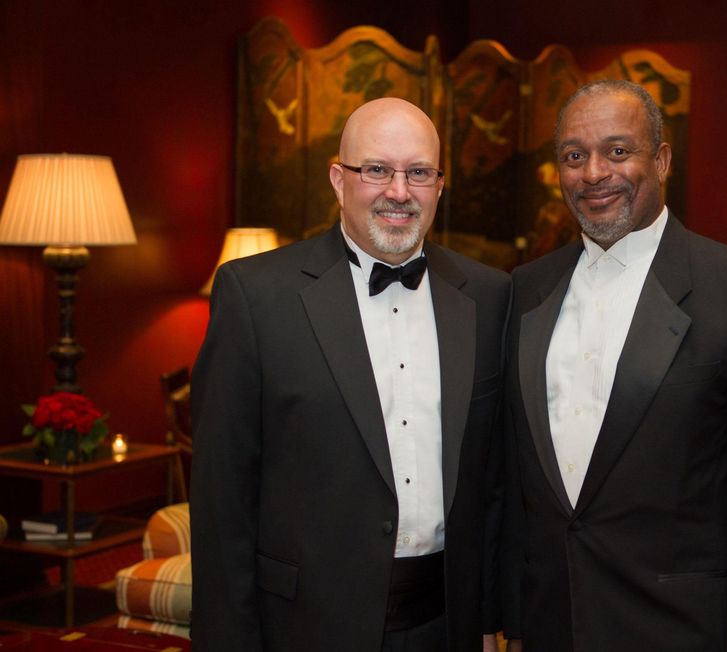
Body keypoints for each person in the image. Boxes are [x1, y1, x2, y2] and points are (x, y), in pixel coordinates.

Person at [500, 80, 727, 651]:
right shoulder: (525, 289)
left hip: (680, 630)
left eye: (618, 151)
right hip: (552, 623)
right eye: (575, 156)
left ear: (662, 160)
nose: (594, 172)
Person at [191, 97, 510, 651]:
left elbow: (495, 484)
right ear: (339, 180)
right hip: (305, 626)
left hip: (445, 624)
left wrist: (489, 619)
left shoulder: (487, 296)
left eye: (419, 172)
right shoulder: (256, 296)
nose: (399, 191)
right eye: (377, 170)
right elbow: (222, 502)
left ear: (440, 184)